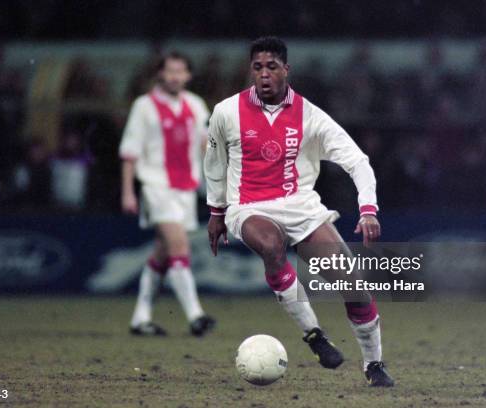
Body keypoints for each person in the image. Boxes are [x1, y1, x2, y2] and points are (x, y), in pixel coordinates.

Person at [204, 37, 394, 386]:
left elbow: (357, 161)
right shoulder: (226, 112)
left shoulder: (310, 116)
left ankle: (374, 365)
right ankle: (314, 335)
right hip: (248, 207)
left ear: (286, 70)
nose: (264, 74)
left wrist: (368, 209)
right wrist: (216, 212)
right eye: (258, 67)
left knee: (353, 286)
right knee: (273, 248)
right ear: (251, 71)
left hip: (302, 208)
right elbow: (214, 164)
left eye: (272, 67)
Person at [119, 52, 215, 337]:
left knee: (162, 254)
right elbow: (129, 153)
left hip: (185, 190)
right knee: (178, 245)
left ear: (188, 75)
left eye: (180, 71)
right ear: (160, 74)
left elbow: (204, 146)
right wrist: (128, 192)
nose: (175, 76)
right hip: (156, 186)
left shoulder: (196, 105)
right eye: (170, 71)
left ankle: (140, 317)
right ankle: (196, 315)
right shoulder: (144, 106)